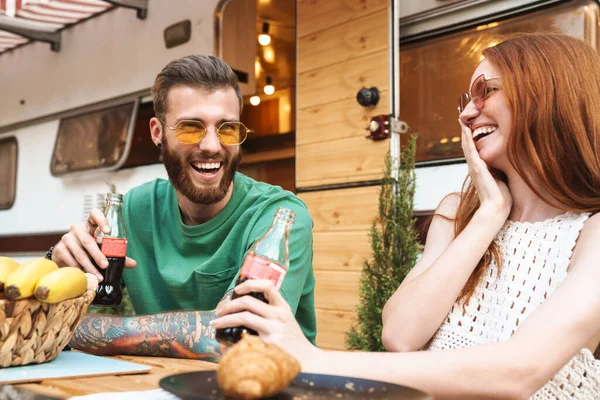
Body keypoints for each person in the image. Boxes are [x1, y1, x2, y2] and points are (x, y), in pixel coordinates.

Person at [210, 33, 600, 398]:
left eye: (486, 91)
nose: (466, 114)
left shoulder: (591, 232)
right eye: (467, 98)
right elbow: (399, 334)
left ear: (549, 96)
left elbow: (522, 369)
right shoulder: (459, 213)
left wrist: (314, 360)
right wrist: (490, 216)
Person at [50, 55, 317, 360]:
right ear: (157, 133)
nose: (212, 146)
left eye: (228, 129)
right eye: (191, 128)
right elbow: (61, 315)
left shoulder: (279, 219)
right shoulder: (136, 209)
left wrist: (86, 330)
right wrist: (61, 269)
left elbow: (240, 336)